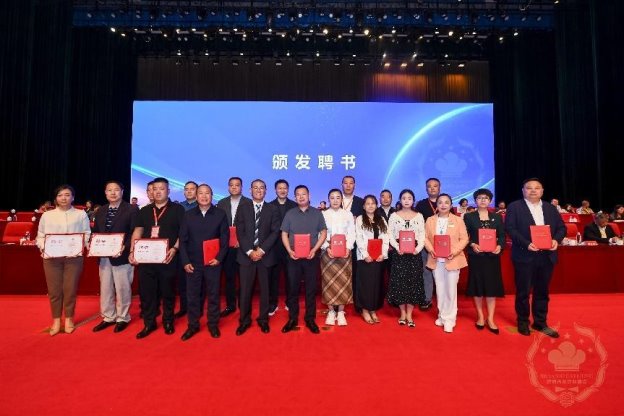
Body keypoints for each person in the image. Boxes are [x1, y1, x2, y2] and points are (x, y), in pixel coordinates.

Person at [505, 178, 566, 338]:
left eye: (537, 188)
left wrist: (556, 240)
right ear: (523, 190)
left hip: (547, 256)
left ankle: (540, 322)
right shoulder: (514, 207)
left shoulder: (550, 208)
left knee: (542, 291)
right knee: (523, 292)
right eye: (529, 188)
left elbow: (561, 227)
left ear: (542, 191)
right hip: (524, 255)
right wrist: (526, 244)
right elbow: (510, 228)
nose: (533, 190)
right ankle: (523, 322)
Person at [129, 177, 185, 339]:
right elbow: (138, 231)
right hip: (146, 258)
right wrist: (132, 251)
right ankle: (149, 322)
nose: (158, 191)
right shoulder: (144, 210)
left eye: (162, 188)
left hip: (168, 257)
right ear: (151, 191)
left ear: (168, 191)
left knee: (168, 292)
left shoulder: (178, 209)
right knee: (147, 293)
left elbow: (183, 233)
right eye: (155, 189)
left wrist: (175, 249)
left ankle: (168, 321)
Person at [36, 185, 91, 335]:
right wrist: (45, 247)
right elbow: (40, 235)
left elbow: (86, 233)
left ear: (73, 197)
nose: (64, 198)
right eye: (60, 195)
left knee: (70, 289)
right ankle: (56, 320)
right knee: (54, 291)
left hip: (73, 257)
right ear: (56, 198)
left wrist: (80, 246)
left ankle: (69, 319)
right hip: (51, 258)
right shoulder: (47, 215)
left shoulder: (80, 214)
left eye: (67, 195)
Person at [178, 184, 229, 340]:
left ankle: (213, 324)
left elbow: (225, 239)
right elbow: (183, 240)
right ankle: (193, 325)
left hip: (213, 263)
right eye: (201, 193)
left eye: (207, 193)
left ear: (212, 196)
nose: (204, 196)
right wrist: (185, 261)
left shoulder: (220, 214)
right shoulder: (188, 215)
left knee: (213, 295)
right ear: (196, 196)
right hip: (193, 263)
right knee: (193, 296)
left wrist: (219, 258)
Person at [91, 181, 139, 334]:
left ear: (122, 192)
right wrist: (94, 245)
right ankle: (108, 317)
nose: (113, 193)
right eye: (109, 190)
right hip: (104, 256)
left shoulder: (131, 209)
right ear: (105, 193)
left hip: (122, 255)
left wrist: (126, 246)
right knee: (105, 288)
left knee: (122, 287)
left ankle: (123, 317)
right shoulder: (101, 210)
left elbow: (134, 231)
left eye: (116, 190)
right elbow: (96, 232)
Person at [235, 179, 281, 335]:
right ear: (250, 190)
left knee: (265, 291)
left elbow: (275, 232)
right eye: (255, 188)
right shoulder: (243, 207)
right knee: (245, 291)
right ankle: (244, 321)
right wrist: (249, 251)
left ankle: (263, 320)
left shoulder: (272, 209)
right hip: (246, 256)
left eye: (262, 188)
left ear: (266, 191)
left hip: (265, 257)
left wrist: (261, 250)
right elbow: (240, 231)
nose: (259, 190)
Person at [280, 185, 327, 334]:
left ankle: (310, 318)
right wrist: (289, 250)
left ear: (309, 195)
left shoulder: (317, 213)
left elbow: (323, 232)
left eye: (303, 194)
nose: (301, 197)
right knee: (292, 288)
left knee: (311, 289)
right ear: (295, 197)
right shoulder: (290, 213)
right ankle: (292, 318)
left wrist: (315, 249)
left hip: (311, 256)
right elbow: (284, 234)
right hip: (293, 256)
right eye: (298, 195)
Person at [424, 193, 469, 333]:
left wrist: (454, 252)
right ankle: (442, 315)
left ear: (451, 205)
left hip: (452, 259)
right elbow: (425, 237)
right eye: (440, 202)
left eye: (446, 202)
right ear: (437, 205)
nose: (443, 205)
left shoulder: (458, 220)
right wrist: (431, 250)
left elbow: (464, 239)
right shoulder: (430, 220)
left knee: (451, 290)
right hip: (436, 259)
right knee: (440, 289)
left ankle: (450, 319)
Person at [463, 188, 505, 335]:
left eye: (486, 198)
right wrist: (472, 244)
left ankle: (491, 318)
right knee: (478, 286)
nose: (483, 200)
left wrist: (499, 246)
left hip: (492, 257)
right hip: (477, 256)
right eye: (480, 198)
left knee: (491, 287)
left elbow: (502, 236)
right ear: (475, 200)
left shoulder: (497, 217)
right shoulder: (469, 217)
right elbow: (465, 236)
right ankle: (480, 316)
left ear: (490, 201)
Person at [386, 189, 425, 327]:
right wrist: (397, 247)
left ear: (413, 200)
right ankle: (402, 313)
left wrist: (417, 249)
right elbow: (390, 234)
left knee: (413, 283)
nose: (407, 200)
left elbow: (422, 234)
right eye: (404, 198)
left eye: (409, 198)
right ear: (400, 200)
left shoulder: (419, 216)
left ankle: (410, 314)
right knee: (400, 283)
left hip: (414, 253)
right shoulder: (394, 216)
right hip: (399, 253)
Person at [216, 177, 252, 317]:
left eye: (237, 185)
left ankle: (244, 305)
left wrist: (243, 241)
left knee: (244, 278)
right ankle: (230, 305)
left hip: (244, 247)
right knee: (229, 277)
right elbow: (219, 225)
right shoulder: (221, 203)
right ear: (228, 187)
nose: (234, 187)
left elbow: (251, 226)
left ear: (241, 187)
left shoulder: (249, 202)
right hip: (227, 247)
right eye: (231, 185)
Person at [320, 189, 355, 326]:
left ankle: (340, 311)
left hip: (344, 250)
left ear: (341, 199)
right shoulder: (323, 214)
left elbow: (352, 233)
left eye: (338, 197)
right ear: (328, 199)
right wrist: (326, 247)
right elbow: (320, 233)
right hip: (328, 250)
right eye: (332, 198)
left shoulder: (348, 214)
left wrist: (348, 247)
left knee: (344, 281)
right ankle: (331, 311)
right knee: (328, 282)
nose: (335, 200)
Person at [355, 195, 390, 324]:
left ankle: (373, 309)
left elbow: (386, 237)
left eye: (373, 203)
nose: (370, 206)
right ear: (364, 206)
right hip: (365, 258)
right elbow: (359, 238)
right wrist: (365, 254)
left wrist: (383, 254)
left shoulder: (381, 219)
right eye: (368, 203)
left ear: (376, 205)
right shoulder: (360, 219)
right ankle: (365, 310)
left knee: (376, 284)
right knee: (366, 285)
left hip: (378, 258)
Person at [268, 179, 298, 315]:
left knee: (291, 277)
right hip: (273, 248)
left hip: (290, 248)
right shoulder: (269, 206)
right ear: (275, 190)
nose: (282, 190)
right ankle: (272, 303)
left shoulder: (294, 206)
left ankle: (290, 302)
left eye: (284, 188)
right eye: (279, 188)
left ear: (288, 190)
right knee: (273, 277)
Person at [415, 177, 441, 311]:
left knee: (443, 272)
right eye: (429, 186)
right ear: (426, 189)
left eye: (435, 186)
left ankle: (443, 300)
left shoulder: (445, 201)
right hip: (426, 243)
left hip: (443, 244)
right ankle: (427, 298)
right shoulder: (421, 205)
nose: (432, 188)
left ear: (439, 188)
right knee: (427, 271)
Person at [175, 180, 199, 319]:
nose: (189, 191)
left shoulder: (203, 205)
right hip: (181, 247)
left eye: (192, 189)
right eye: (186, 189)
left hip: (197, 248)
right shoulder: (178, 207)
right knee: (182, 281)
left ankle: (197, 308)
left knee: (197, 281)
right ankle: (184, 307)